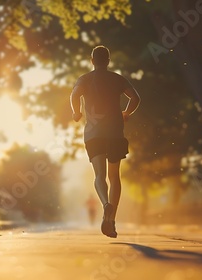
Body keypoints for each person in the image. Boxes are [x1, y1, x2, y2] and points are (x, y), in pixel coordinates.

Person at [70, 45, 140, 238]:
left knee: (99, 175)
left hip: (93, 134)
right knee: (114, 176)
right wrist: (126, 112)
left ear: (92, 60)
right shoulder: (118, 79)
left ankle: (105, 204)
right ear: (108, 61)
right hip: (115, 134)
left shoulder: (84, 79)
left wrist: (77, 111)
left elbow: (74, 95)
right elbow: (135, 98)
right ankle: (111, 220)